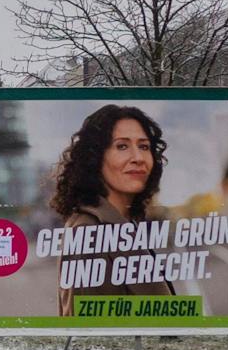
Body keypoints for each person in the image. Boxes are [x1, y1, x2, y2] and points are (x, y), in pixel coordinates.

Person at [50, 104, 172, 317]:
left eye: (144, 147)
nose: (138, 158)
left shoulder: (123, 223)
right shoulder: (90, 232)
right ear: (95, 158)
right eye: (122, 146)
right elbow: (88, 335)